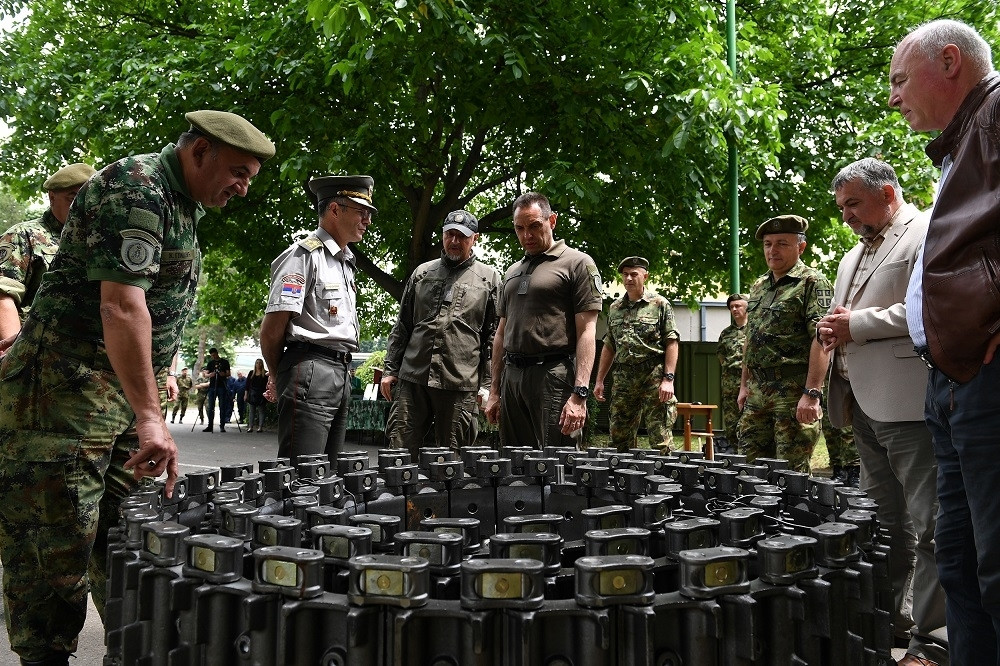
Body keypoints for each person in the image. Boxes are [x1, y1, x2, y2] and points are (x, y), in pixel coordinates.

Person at [0, 109, 274, 665]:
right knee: (53, 554)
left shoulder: (181, 204)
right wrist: (152, 417)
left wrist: (146, 406)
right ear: (200, 151)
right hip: (60, 397)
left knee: (129, 542)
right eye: (238, 172)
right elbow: (121, 308)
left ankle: (130, 652)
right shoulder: (137, 187)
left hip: (113, 400)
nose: (243, 188)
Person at [889, 19, 999, 664]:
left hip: (986, 384)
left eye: (902, 80)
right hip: (953, 383)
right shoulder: (964, 141)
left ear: (950, 62)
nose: (894, 97)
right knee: (960, 560)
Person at [816, 157, 946, 665]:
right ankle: (891, 620)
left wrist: (857, 325)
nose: (846, 215)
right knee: (885, 523)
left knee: (932, 524)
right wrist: (834, 328)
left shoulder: (926, 230)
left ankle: (934, 640)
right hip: (861, 404)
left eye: (853, 204)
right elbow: (846, 317)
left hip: (909, 405)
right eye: (841, 208)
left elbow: (930, 307)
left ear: (888, 193)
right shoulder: (853, 253)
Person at [260, 175, 375, 462]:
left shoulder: (345, 261)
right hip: (311, 370)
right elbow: (272, 329)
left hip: (340, 371)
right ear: (335, 209)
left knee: (328, 473)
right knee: (304, 471)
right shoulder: (303, 256)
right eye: (361, 212)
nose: (367, 220)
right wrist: (276, 375)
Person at [483, 192, 602, 449]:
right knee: (513, 461)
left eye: (535, 226)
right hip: (512, 378)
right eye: (519, 228)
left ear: (552, 221)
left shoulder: (577, 263)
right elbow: (501, 333)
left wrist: (580, 393)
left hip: (553, 376)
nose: (527, 235)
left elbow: (587, 331)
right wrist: (494, 391)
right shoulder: (512, 272)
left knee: (558, 461)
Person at [381, 210, 500, 455]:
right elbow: (402, 325)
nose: (454, 241)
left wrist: (488, 385)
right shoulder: (422, 273)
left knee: (452, 459)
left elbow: (493, 337)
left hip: (460, 383)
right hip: (414, 378)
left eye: (462, 236)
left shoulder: (489, 279)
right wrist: (390, 369)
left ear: (474, 238)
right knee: (399, 453)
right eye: (450, 234)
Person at [737, 215, 832, 473]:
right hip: (757, 392)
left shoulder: (813, 283)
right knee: (749, 470)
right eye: (768, 244)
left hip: (792, 392)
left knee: (789, 474)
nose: (772, 250)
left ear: (801, 247)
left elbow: (822, 339)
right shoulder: (759, 285)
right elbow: (751, 338)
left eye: (782, 243)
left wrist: (812, 393)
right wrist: (744, 385)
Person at [0, 162, 96, 340]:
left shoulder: (100, 239)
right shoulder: (23, 235)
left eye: (91, 199)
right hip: (37, 345)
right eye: (73, 198)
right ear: (52, 198)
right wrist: (13, 351)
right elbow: (3, 296)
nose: (82, 206)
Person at [593, 256, 678, 452]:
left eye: (634, 274)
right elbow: (609, 345)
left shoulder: (659, 304)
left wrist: (668, 379)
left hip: (652, 376)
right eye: (625, 275)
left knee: (660, 437)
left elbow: (672, 341)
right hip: (624, 378)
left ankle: (665, 471)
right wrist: (599, 380)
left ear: (645, 276)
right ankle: (622, 471)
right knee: (618, 438)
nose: (629, 279)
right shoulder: (615, 308)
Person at [716, 293, 747, 450]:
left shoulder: (754, 330)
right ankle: (734, 455)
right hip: (729, 384)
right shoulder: (726, 333)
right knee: (731, 423)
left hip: (749, 383)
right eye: (732, 307)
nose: (734, 309)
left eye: (738, 306)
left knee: (749, 423)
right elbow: (721, 356)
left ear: (747, 308)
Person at [202, 346, 230, 432]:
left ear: (217, 353)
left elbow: (228, 373)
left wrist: (223, 374)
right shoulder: (210, 363)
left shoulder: (225, 362)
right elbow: (205, 374)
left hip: (222, 386)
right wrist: (210, 375)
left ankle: (222, 426)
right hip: (212, 386)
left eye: (214, 355)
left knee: (222, 406)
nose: (213, 357)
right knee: (211, 407)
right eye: (212, 355)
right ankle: (210, 425)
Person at [245, 359, 268, 433]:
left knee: (261, 411)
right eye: (257, 363)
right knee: (252, 411)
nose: (258, 364)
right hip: (252, 394)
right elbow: (247, 385)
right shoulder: (251, 373)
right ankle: (250, 427)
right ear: (255, 364)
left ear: (262, 364)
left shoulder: (265, 373)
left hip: (261, 394)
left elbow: (267, 385)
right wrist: (246, 394)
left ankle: (260, 427)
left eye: (260, 363)